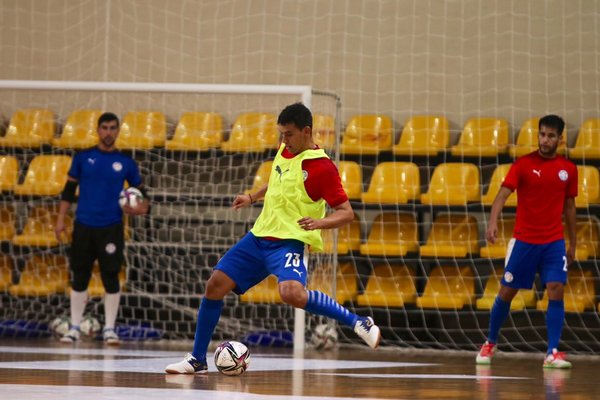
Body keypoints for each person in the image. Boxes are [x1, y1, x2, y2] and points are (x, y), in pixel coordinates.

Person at [165, 103, 381, 374]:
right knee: (215, 285)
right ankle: (197, 359)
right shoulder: (285, 149)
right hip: (258, 236)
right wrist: (253, 196)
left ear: (306, 131)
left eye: (288, 134)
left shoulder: (323, 168)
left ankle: (359, 322)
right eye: (281, 134)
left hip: (289, 241)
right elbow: (277, 179)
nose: (283, 140)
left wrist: (320, 222)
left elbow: (346, 213)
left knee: (291, 293)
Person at [476, 114, 577, 369]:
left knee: (556, 288)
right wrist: (492, 221)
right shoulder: (523, 165)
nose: (545, 139)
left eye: (551, 135)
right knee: (507, 292)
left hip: (554, 242)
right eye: (542, 134)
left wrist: (572, 242)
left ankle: (552, 352)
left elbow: (570, 207)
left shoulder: (568, 170)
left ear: (560, 139)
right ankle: (490, 342)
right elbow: (501, 196)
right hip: (524, 242)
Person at [55, 112, 149, 345]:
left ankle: (109, 329)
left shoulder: (126, 163)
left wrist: (139, 208)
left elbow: (142, 197)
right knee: (80, 276)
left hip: (111, 227)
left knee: (110, 275)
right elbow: (68, 191)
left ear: (118, 131)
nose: (108, 132)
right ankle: (74, 327)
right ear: (98, 130)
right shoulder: (83, 158)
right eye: (105, 128)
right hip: (83, 225)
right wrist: (60, 219)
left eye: (113, 128)